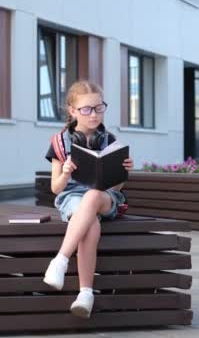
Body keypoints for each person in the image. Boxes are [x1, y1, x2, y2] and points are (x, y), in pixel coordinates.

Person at [43, 80, 133, 318]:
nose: (94, 114)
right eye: (86, 109)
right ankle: (86, 294)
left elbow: (117, 186)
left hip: (105, 196)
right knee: (90, 224)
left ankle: (60, 260)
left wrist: (122, 171)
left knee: (93, 196)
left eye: (99, 107)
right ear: (73, 111)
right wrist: (65, 172)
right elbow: (55, 188)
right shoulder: (60, 143)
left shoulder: (110, 140)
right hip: (72, 197)